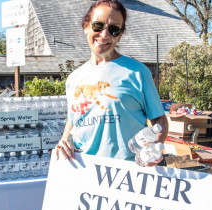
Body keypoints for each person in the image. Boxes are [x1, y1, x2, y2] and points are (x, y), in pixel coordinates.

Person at [55, 0, 168, 166]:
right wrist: (64, 140)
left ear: (120, 35)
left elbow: (160, 121)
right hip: (85, 170)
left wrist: (153, 150)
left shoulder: (137, 72)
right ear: (86, 26)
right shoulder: (74, 79)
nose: (104, 34)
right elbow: (72, 121)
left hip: (127, 173)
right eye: (98, 26)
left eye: (114, 29)